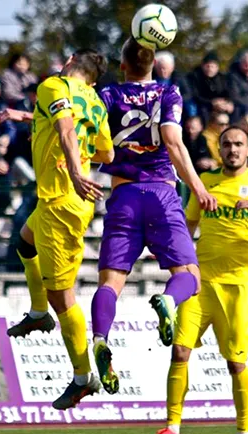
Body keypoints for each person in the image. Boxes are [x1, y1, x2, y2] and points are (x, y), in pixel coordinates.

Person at [145, 126, 248, 434]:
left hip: (239, 288)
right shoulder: (206, 181)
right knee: (179, 351)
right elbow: (187, 226)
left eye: (239, 144)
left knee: (236, 364)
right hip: (201, 282)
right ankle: (172, 429)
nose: (232, 149)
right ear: (220, 149)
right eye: (227, 144)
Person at [88, 39, 217, 396]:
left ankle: (100, 339)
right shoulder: (168, 93)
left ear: (123, 65)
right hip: (161, 193)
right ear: (155, 64)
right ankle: (168, 301)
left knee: (110, 283)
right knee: (189, 276)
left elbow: (80, 131)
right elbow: (174, 144)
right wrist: (198, 187)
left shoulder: (109, 95)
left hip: (124, 195)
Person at [3, 49, 115, 411]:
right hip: (59, 199)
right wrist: (27, 117)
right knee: (24, 243)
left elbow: (66, 130)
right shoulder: (96, 102)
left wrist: (76, 172)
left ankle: (83, 377)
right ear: (94, 79)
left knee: (62, 297)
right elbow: (107, 154)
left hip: (63, 201)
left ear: (68, 61)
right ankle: (38, 314)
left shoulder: (54, 85)